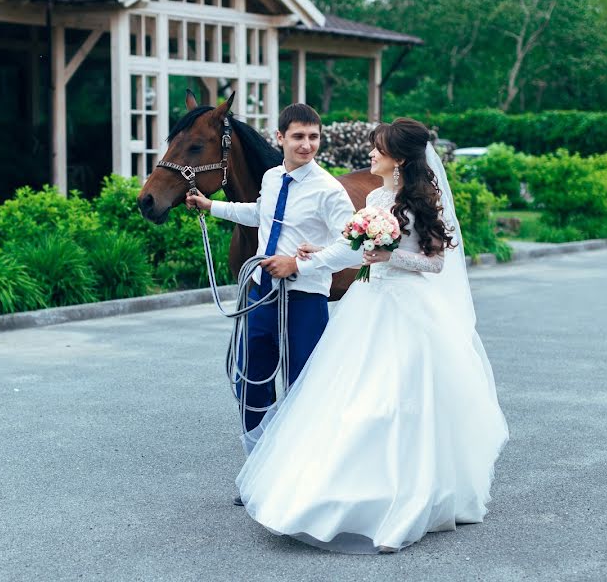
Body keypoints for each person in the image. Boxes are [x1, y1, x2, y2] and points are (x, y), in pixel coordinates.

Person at [235, 118, 509, 553]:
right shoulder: (378, 197)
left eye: (377, 149)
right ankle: (341, 488)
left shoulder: (420, 202)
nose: (371, 155)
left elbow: (434, 264)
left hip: (406, 311)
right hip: (368, 302)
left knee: (396, 401)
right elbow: (351, 247)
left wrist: (389, 256)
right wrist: (314, 254)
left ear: (397, 157)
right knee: (349, 395)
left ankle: (407, 494)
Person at [185, 104, 362, 477]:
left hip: (304, 300)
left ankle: (301, 475)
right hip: (262, 295)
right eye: (298, 136)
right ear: (281, 138)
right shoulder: (270, 178)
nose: (307, 145)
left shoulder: (328, 191)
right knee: (248, 379)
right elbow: (260, 213)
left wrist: (298, 264)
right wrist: (211, 206)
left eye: (313, 137)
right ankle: (260, 472)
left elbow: (353, 245)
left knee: (303, 388)